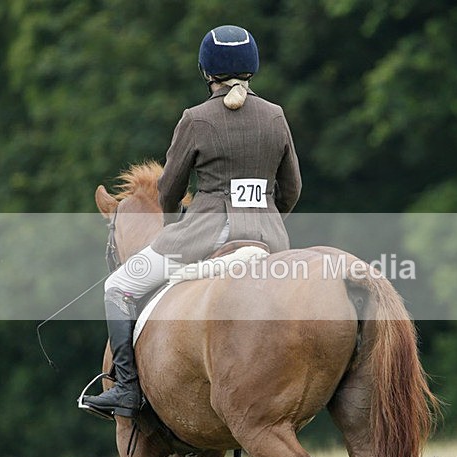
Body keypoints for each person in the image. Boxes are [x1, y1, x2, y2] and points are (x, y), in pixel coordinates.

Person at [81, 25, 302, 418]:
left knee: (118, 286)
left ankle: (127, 391)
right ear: (253, 68)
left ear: (206, 71)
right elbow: (293, 188)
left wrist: (174, 224)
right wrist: (263, 219)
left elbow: (168, 191)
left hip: (205, 236)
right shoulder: (275, 116)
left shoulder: (195, 119)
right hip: (271, 238)